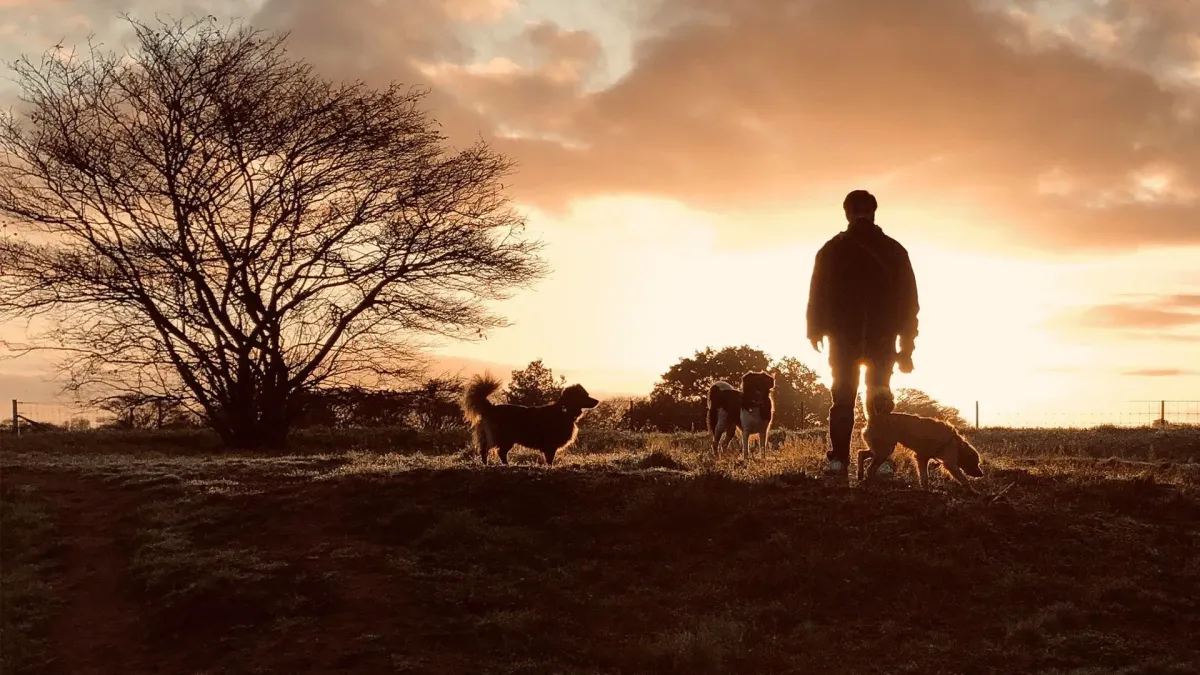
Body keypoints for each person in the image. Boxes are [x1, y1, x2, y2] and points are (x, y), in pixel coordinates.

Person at [806, 189, 919, 477]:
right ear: (849, 214)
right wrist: (814, 328)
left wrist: (907, 345)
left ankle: (867, 459)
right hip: (854, 339)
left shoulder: (837, 250)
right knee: (851, 398)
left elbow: (908, 302)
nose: (860, 216)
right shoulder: (889, 250)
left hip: (865, 338)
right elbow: (818, 291)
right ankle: (851, 458)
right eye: (857, 211)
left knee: (870, 400)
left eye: (863, 211)